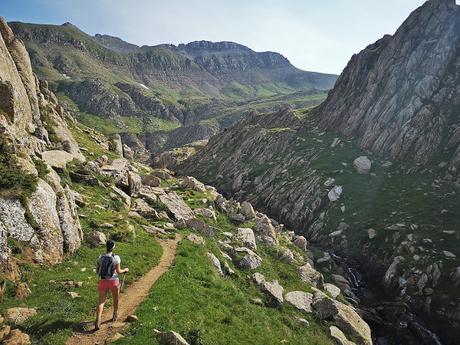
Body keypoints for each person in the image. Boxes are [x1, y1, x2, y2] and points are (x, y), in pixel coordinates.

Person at [94, 239, 129, 330]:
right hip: (113, 281)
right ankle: (114, 314)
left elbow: (98, 271)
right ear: (113, 247)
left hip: (103, 281)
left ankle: (98, 319)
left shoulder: (100, 257)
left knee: (101, 301)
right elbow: (118, 271)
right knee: (115, 299)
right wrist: (125, 270)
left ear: (106, 246)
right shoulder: (116, 258)